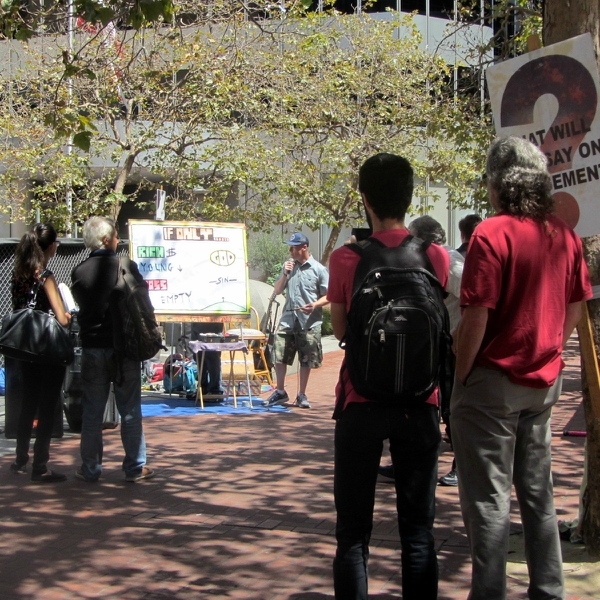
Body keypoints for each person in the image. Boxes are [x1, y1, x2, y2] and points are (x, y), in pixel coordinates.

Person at [451, 136, 592, 600]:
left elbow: (476, 316)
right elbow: (576, 307)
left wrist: (460, 376)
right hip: (542, 382)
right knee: (538, 495)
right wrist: (551, 351)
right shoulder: (563, 233)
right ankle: (549, 590)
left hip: (492, 383)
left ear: (497, 182)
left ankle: (488, 594)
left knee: (488, 503)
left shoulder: (491, 233)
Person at [328, 153, 449, 600]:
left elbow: (341, 331)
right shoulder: (435, 255)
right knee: (418, 532)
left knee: (353, 534)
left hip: (360, 401)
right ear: (410, 195)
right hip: (420, 403)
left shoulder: (346, 258)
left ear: (364, 199)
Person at [71, 216, 154, 483]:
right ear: (107, 239)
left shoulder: (79, 271)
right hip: (124, 348)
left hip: (93, 348)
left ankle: (91, 468)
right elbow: (143, 302)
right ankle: (134, 467)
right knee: (130, 410)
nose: (119, 240)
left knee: (92, 413)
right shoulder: (126, 266)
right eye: (116, 235)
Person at [7, 223, 71, 483]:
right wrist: (66, 315)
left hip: (25, 347)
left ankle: (21, 459)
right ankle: (40, 465)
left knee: (28, 402)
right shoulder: (45, 276)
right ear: (51, 246)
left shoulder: (18, 275)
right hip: (47, 348)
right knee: (47, 406)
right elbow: (61, 318)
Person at [264, 232, 329, 409]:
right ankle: (280, 391)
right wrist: (285, 274)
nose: (290, 250)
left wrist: (314, 304)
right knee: (279, 354)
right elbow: (277, 291)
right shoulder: (288, 267)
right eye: (290, 247)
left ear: (304, 247)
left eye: (293, 247)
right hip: (288, 319)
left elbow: (328, 296)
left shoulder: (318, 269)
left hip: (309, 321)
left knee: (306, 359)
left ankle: (302, 394)